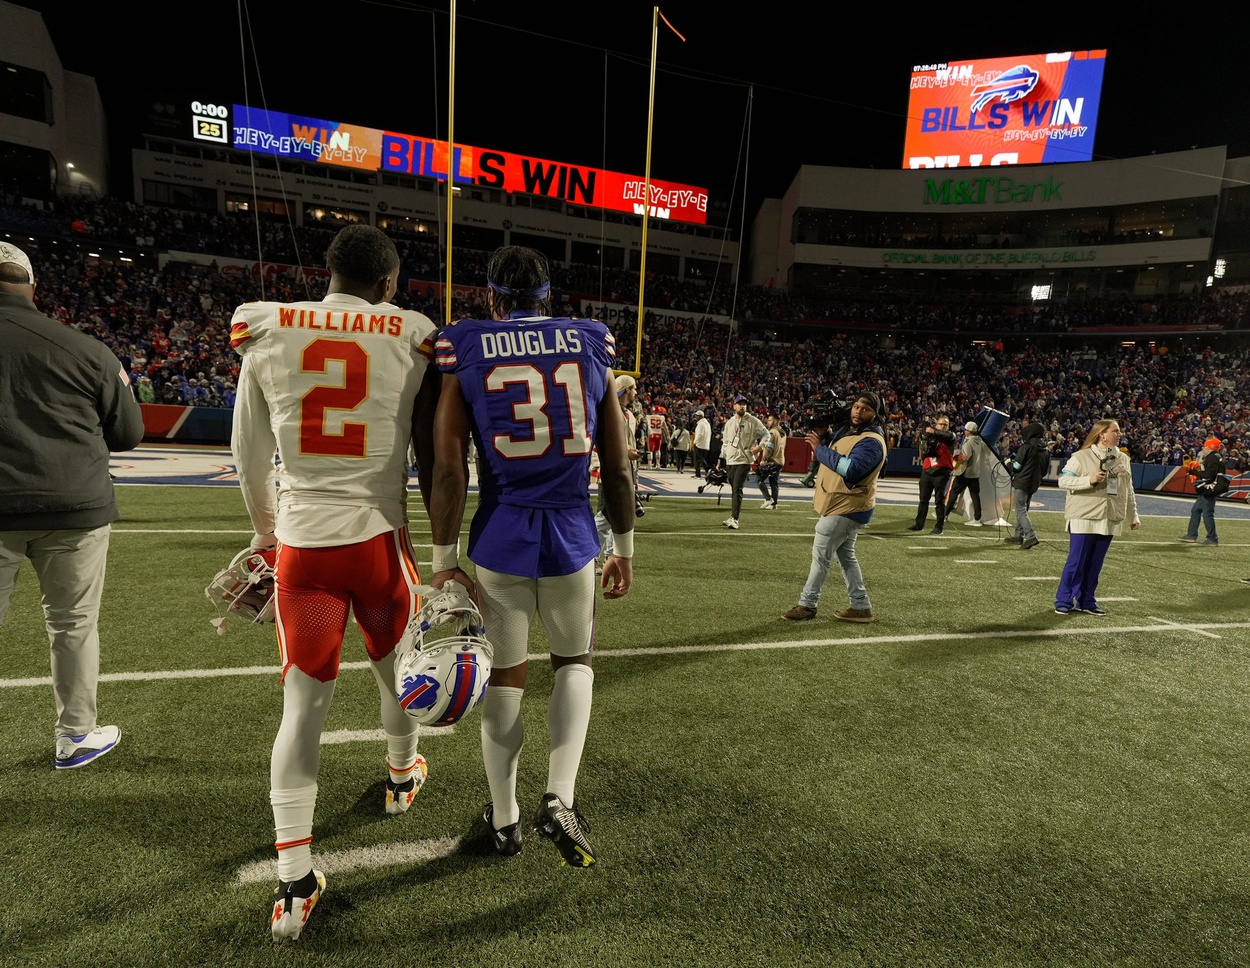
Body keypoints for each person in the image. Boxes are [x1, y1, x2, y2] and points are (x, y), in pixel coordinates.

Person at [229, 225, 441, 941]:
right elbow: (431, 446)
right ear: (388, 282)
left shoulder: (266, 328)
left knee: (303, 703)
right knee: (396, 673)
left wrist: (266, 532)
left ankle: (293, 881)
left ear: (328, 271)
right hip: (378, 539)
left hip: (304, 547)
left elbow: (248, 452)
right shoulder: (410, 332)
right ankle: (401, 774)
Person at [427, 245, 634, 869]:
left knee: (506, 679)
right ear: (549, 297)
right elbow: (619, 469)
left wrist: (444, 556)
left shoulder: (463, 343)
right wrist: (623, 547)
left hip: (499, 537)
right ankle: (560, 796)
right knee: (575, 662)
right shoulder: (591, 341)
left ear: (492, 296)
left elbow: (446, 465)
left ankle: (505, 818)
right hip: (573, 536)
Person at [0, 240, 144, 770]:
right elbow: (128, 432)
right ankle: (76, 735)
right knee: (72, 624)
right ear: (32, 287)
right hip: (74, 508)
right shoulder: (84, 348)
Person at [781, 391, 887, 624]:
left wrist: (819, 449)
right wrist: (825, 434)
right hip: (844, 503)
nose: (858, 411)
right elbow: (840, 450)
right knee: (846, 557)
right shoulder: (854, 431)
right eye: (856, 406)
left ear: (875, 415)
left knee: (821, 557)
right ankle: (861, 606)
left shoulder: (872, 441)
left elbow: (850, 469)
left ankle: (807, 604)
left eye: (865, 409)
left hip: (847, 506)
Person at [1054, 419, 1140, 615]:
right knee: (1076, 562)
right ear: (1102, 434)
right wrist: (1089, 480)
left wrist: (1133, 516)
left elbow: (1129, 490)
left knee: (1095, 564)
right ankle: (1064, 600)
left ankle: (1087, 601)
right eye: (1115, 431)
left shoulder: (1123, 459)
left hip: (1110, 517)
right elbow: (1063, 481)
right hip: (1084, 515)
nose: (1119, 434)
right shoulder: (1081, 456)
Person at [596, 374, 642, 561]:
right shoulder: (614, 412)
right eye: (634, 388)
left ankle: (608, 555)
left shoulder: (625, 413)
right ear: (627, 390)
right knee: (606, 516)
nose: (636, 392)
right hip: (613, 471)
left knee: (612, 516)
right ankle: (590, 556)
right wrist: (626, 454)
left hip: (623, 470)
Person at [717, 395, 767, 530]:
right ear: (734, 406)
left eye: (744, 404)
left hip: (745, 459)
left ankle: (735, 518)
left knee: (737, 488)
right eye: (739, 404)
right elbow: (726, 442)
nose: (742, 406)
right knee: (734, 489)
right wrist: (721, 459)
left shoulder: (753, 421)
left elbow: (767, 435)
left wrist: (759, 447)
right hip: (731, 459)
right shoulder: (730, 423)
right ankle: (733, 516)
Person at [1004, 421, 1048, 550]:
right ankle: (1018, 535)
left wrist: (1008, 464)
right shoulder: (1045, 450)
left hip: (1022, 482)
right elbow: (1044, 471)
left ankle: (1030, 536)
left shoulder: (1026, 447)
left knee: (1020, 510)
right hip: (1034, 484)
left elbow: (1017, 467)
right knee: (1023, 509)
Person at [908, 415, 955, 534]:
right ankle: (919, 524)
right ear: (937, 424)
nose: (943, 426)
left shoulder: (950, 436)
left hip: (942, 472)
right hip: (927, 471)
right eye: (941, 424)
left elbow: (948, 435)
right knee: (923, 500)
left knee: (940, 501)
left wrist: (933, 431)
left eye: (945, 425)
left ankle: (939, 526)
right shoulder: (930, 437)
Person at [1179, 438, 1224, 546]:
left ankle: (1212, 538)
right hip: (1210, 488)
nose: (1203, 448)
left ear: (1210, 447)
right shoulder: (1217, 457)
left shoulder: (1212, 457)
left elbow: (1209, 474)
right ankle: (1191, 535)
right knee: (1196, 510)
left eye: (1205, 446)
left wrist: (1194, 472)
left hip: (1209, 489)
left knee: (1207, 514)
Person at [943, 421, 989, 526]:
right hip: (975, 473)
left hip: (965, 472)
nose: (964, 431)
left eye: (966, 430)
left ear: (969, 431)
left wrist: (954, 457)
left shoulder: (968, 443)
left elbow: (964, 457)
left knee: (954, 494)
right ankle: (977, 519)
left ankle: (945, 515)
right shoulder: (979, 441)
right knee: (975, 496)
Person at [754, 412, 785, 509]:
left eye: (770, 420)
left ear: (775, 421)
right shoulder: (783, 432)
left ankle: (768, 499)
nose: (768, 422)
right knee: (773, 482)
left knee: (759, 479)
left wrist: (764, 459)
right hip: (780, 460)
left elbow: (769, 447)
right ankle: (774, 504)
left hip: (772, 461)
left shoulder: (772, 432)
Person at [692, 409, 711, 477]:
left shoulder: (701, 424)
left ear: (700, 416)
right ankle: (705, 470)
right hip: (705, 444)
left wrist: (695, 441)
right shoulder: (707, 424)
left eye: (697, 416)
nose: (696, 417)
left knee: (698, 460)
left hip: (699, 444)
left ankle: (703, 471)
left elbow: (700, 434)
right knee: (701, 459)